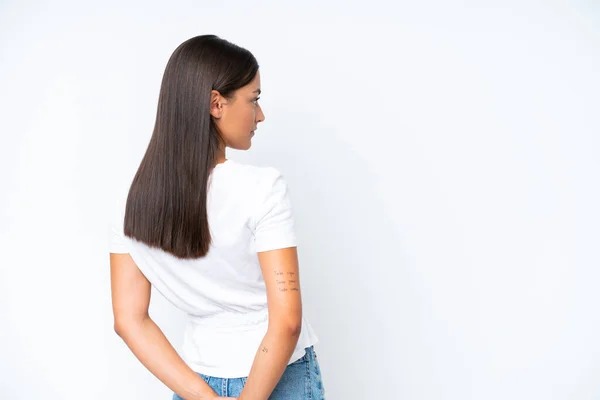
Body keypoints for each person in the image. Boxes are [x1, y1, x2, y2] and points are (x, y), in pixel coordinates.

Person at [108, 35, 325, 399]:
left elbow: (129, 320)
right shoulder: (262, 188)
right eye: (253, 99)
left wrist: (202, 396)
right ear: (216, 103)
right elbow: (287, 322)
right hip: (279, 379)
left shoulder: (133, 201)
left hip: (197, 381)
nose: (260, 114)